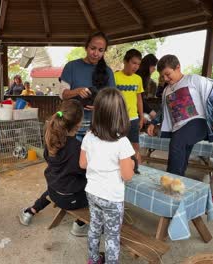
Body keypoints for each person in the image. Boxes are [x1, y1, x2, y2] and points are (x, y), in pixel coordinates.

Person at [147, 55, 213, 176]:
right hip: (178, 127)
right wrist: (153, 123)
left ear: (178, 67)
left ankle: (171, 181)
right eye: (162, 76)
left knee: (176, 144)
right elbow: (164, 110)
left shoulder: (193, 80)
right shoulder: (166, 91)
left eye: (168, 74)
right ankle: (179, 180)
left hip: (197, 122)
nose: (165, 78)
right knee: (181, 154)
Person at [80, 88, 135, 264]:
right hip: (112, 198)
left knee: (94, 228)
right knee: (112, 236)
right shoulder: (122, 143)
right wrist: (132, 164)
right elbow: (127, 176)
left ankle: (93, 259)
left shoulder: (88, 136)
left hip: (92, 193)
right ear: (121, 115)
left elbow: (82, 164)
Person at [19, 100, 89, 236]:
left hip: (54, 192)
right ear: (79, 123)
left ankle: (30, 212)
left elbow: (49, 158)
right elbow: (84, 171)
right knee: (96, 193)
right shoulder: (78, 148)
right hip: (72, 200)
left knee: (55, 187)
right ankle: (80, 225)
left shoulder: (51, 139)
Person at [60, 31, 116, 139]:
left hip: (98, 127)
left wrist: (100, 106)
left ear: (104, 51)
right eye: (93, 48)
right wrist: (77, 91)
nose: (96, 53)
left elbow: (113, 100)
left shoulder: (108, 71)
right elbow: (62, 94)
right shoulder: (71, 66)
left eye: (100, 50)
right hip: (73, 125)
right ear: (86, 47)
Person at [114, 49, 144, 173]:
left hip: (133, 118)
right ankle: (119, 171)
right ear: (125, 61)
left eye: (138, 64)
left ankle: (138, 170)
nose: (136, 66)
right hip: (118, 119)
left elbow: (139, 99)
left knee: (135, 146)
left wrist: (141, 117)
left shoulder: (138, 79)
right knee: (117, 145)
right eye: (133, 63)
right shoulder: (115, 77)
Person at [137, 54, 159, 125]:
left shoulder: (145, 77)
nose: (154, 69)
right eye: (153, 66)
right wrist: (150, 112)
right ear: (148, 65)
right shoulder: (138, 77)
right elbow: (138, 98)